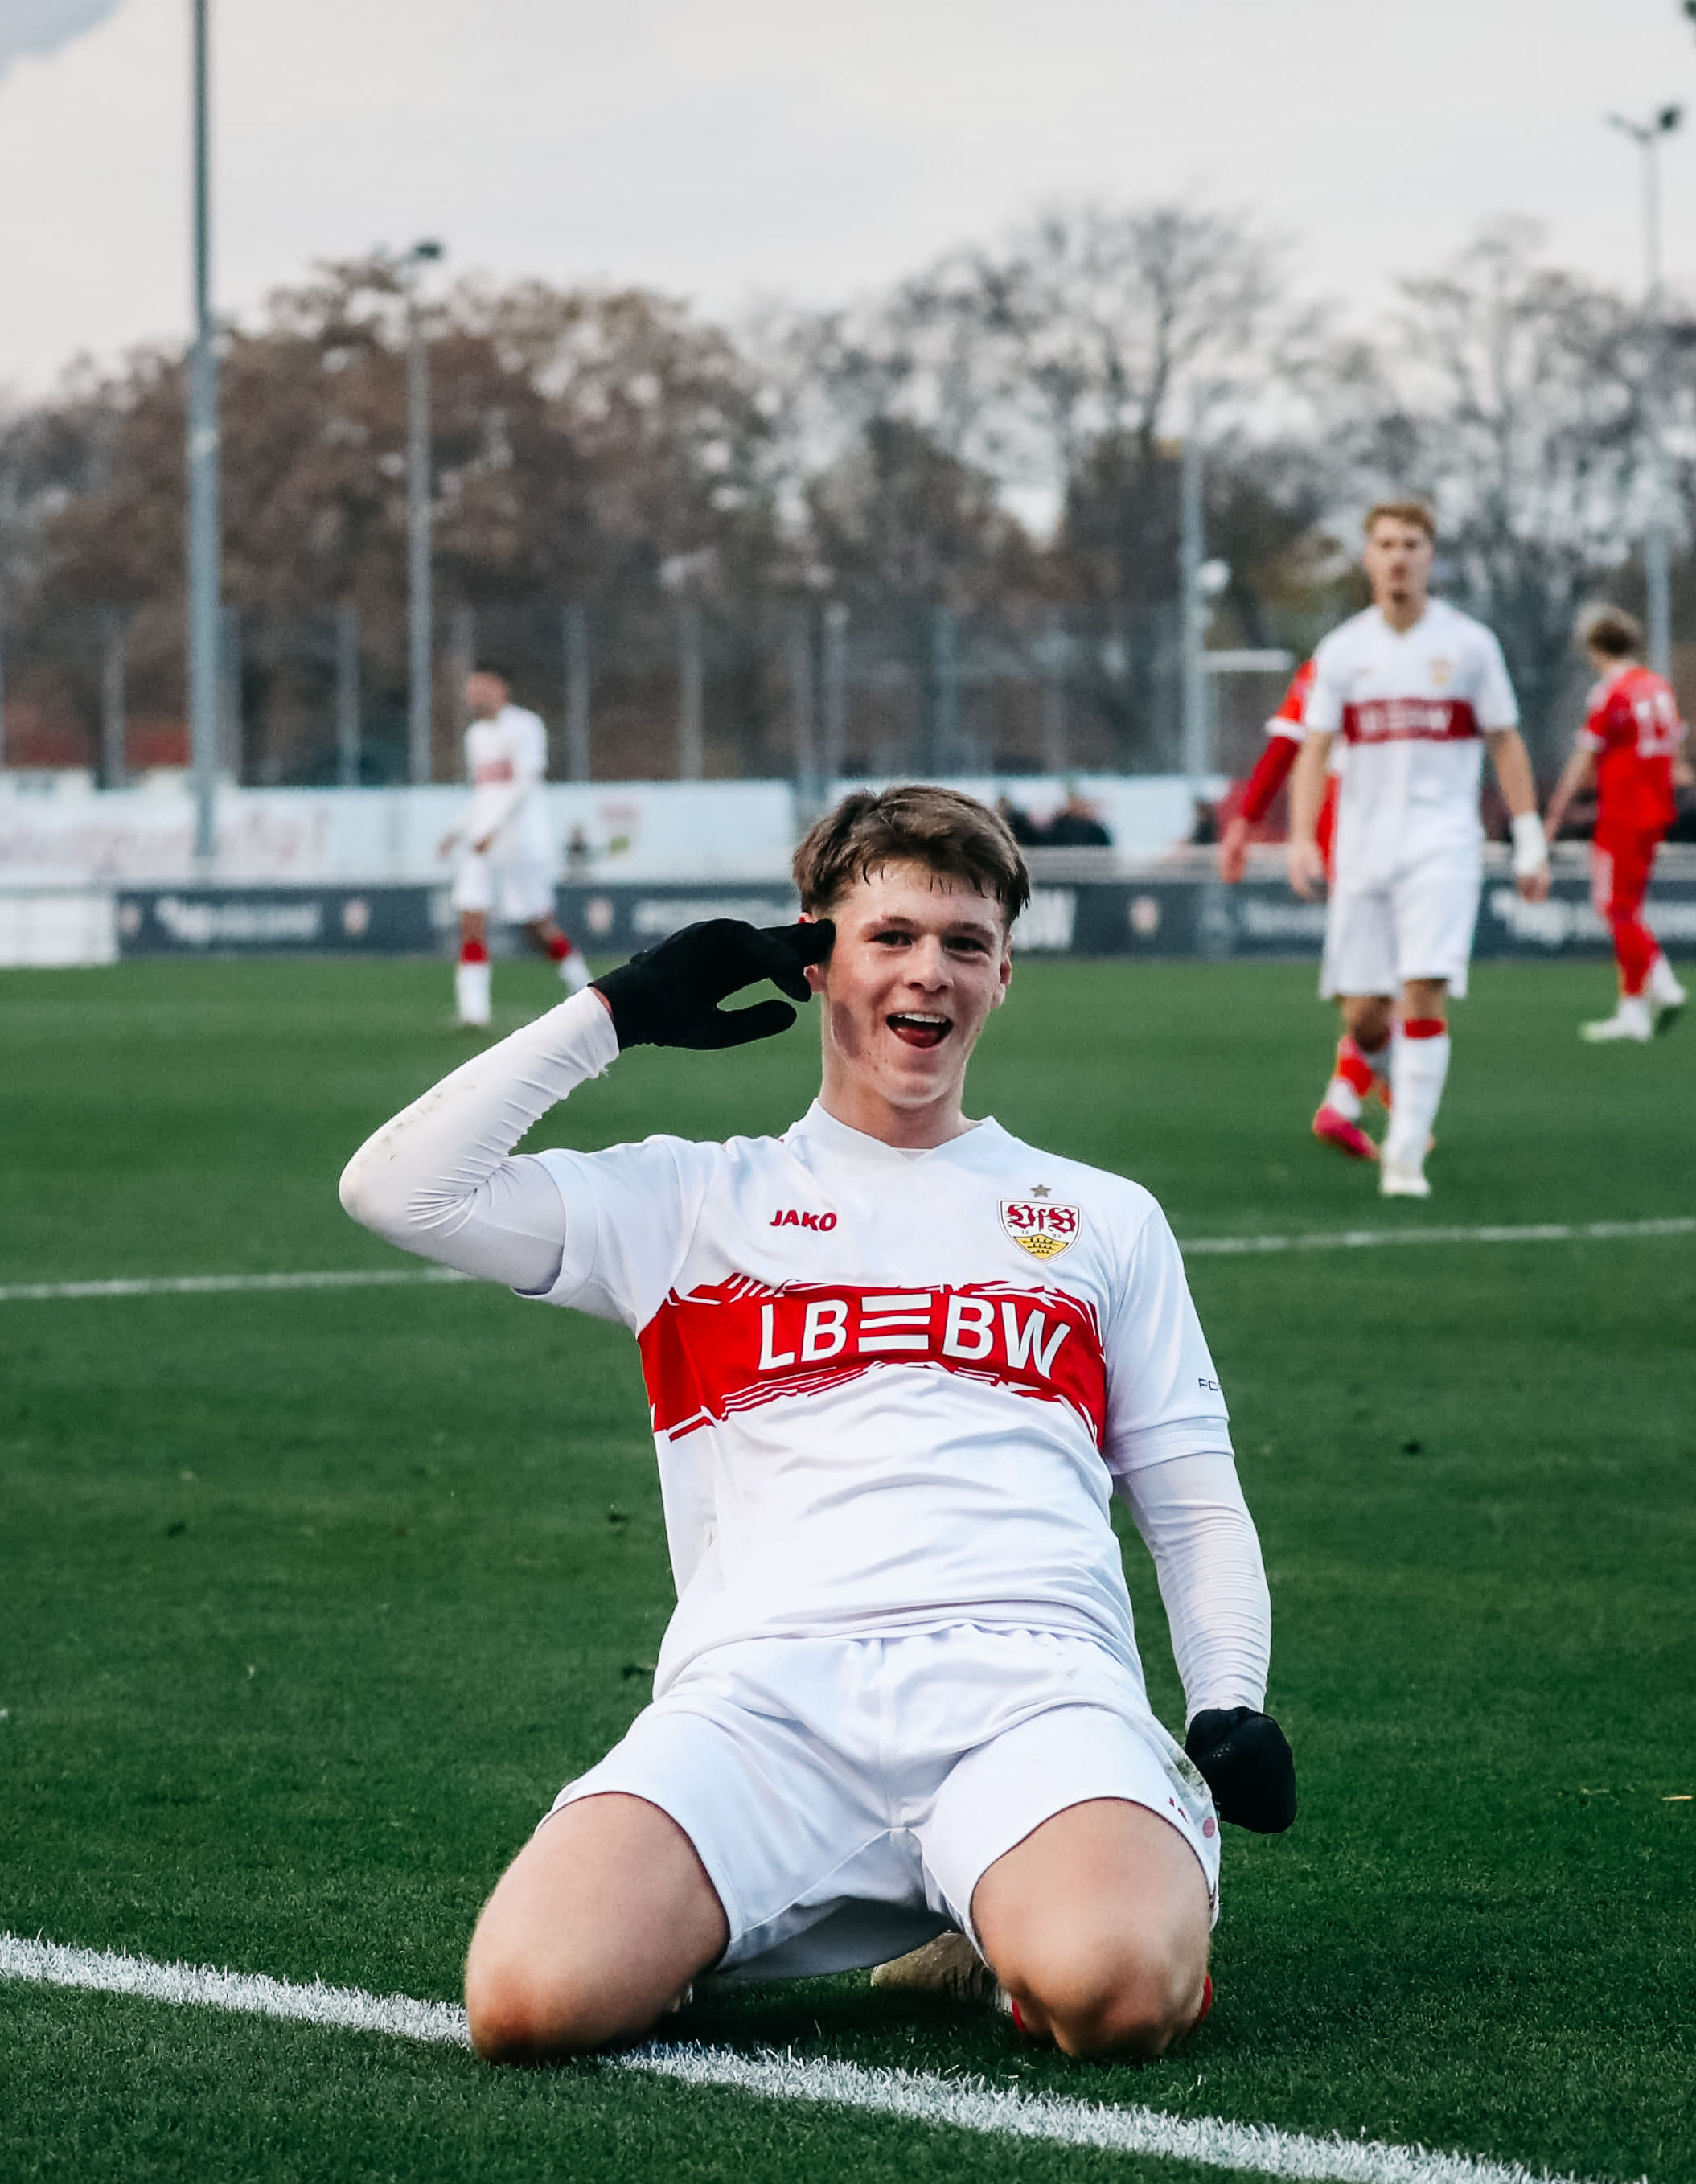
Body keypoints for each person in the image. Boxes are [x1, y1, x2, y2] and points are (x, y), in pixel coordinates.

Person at [338, 785, 1291, 2063]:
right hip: (762, 1699)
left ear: (1006, 973)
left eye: (965, 944)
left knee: (1114, 1994)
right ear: (815, 953)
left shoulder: (1102, 1215)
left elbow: (1192, 1501)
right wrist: (612, 1015)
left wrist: (1225, 1704)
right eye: (890, 936)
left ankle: (1047, 1885)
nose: (930, 974)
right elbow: (398, 1191)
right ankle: (854, 1909)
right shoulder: (691, 1198)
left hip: (1030, 1690)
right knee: (528, 2003)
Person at [1287, 502, 1551, 1199]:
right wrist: (1301, 838)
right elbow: (1313, 748)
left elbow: (1505, 739)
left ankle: (1405, 1154)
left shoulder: (1469, 645)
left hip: (1443, 843)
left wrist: (1527, 839)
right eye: (1386, 544)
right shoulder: (1343, 650)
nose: (1399, 556)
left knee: (1424, 987)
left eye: (1412, 544)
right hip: (1363, 848)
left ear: (1430, 556)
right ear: (1368, 559)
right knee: (1364, 1014)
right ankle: (1363, 1096)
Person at [1217, 662, 1385, 1166]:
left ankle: (1366, 1097)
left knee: (1392, 982)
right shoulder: (1340, 659)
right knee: (1386, 986)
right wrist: (1245, 823)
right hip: (1365, 837)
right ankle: (1364, 1093)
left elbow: (1284, 748)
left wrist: (1246, 822)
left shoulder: (1337, 657)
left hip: (1373, 838)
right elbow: (1287, 746)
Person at [1549, 606, 1692, 1043]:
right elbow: (1675, 751)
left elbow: (1584, 757)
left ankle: (1664, 985)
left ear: (1595, 649)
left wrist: (1554, 813)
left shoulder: (1610, 692)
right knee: (1627, 906)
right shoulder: (1658, 686)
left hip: (1623, 812)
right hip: (1657, 809)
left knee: (1615, 908)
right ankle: (1633, 1012)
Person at [439, 667, 591, 1028]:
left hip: (522, 843)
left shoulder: (525, 727)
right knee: (471, 918)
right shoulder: (475, 736)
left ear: (501, 688)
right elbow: (484, 794)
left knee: (537, 928)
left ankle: (584, 986)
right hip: (482, 844)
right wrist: (458, 830)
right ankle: (473, 1012)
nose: (475, 696)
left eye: (483, 688)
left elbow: (524, 785)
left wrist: (493, 829)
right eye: (471, 689)